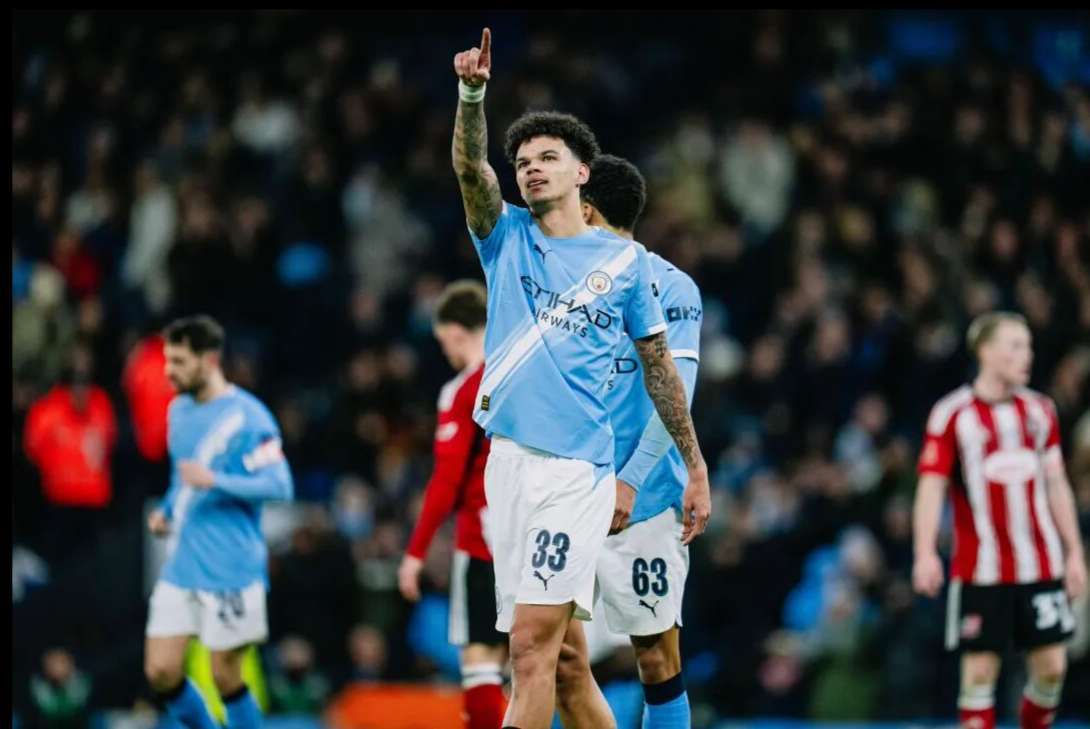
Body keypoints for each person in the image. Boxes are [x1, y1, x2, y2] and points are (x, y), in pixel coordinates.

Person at [451, 28, 711, 729]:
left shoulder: (629, 267)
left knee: (533, 648)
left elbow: (662, 371)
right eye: (523, 162)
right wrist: (471, 97)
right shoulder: (505, 238)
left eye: (547, 158)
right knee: (551, 656)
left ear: (582, 175)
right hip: (507, 464)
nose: (531, 170)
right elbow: (471, 169)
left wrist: (692, 463)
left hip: (577, 471)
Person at [557, 154, 702, 729]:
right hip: (565, 493)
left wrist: (631, 480)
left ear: (588, 210)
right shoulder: (560, 288)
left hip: (642, 502)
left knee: (656, 658)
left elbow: (676, 393)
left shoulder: (672, 287)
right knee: (558, 656)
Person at [912, 311, 1086, 729]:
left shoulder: (1040, 410)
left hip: (1040, 564)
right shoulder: (952, 414)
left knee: (1052, 668)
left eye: (1028, 346)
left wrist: (1074, 553)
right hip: (980, 570)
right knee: (978, 675)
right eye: (1016, 346)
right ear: (985, 351)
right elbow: (932, 487)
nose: (1027, 355)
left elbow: (1057, 484)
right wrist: (925, 553)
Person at [143, 315, 294, 729]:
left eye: (178, 361)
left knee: (225, 675)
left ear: (208, 360)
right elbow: (183, 477)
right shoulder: (178, 411)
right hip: (183, 563)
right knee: (161, 670)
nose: (168, 371)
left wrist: (216, 481)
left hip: (232, 567)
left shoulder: (250, 418)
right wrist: (167, 511)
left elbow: (279, 484)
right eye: (168, 360)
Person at [398, 280, 508, 729]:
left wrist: (415, 552)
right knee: (541, 661)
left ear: (457, 334)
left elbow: (446, 480)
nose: (445, 352)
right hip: (538, 534)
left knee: (480, 660)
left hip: (484, 540)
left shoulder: (463, 390)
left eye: (444, 342)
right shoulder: (521, 375)